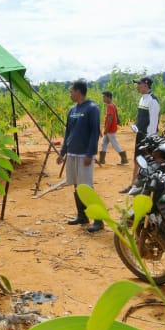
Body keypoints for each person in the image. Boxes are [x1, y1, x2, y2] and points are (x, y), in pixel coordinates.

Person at [56, 80, 103, 233]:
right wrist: (62, 153)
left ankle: (98, 220)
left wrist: (90, 154)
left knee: (87, 186)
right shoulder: (72, 110)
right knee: (76, 184)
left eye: (71, 91)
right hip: (72, 153)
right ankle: (82, 215)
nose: (70, 94)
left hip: (84, 155)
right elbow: (68, 132)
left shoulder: (92, 108)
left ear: (78, 91)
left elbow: (95, 133)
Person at [120, 76, 160, 193]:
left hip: (148, 138)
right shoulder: (142, 99)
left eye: (139, 84)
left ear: (146, 85)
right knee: (137, 160)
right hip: (140, 135)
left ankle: (144, 188)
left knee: (147, 162)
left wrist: (149, 139)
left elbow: (153, 123)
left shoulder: (153, 101)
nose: (137, 87)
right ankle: (133, 185)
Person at [97, 91, 128, 166]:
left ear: (108, 97)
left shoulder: (110, 106)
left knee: (115, 144)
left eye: (104, 97)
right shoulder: (112, 105)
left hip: (110, 129)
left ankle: (124, 159)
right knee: (104, 143)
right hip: (111, 129)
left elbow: (110, 118)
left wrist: (106, 129)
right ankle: (101, 160)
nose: (103, 99)